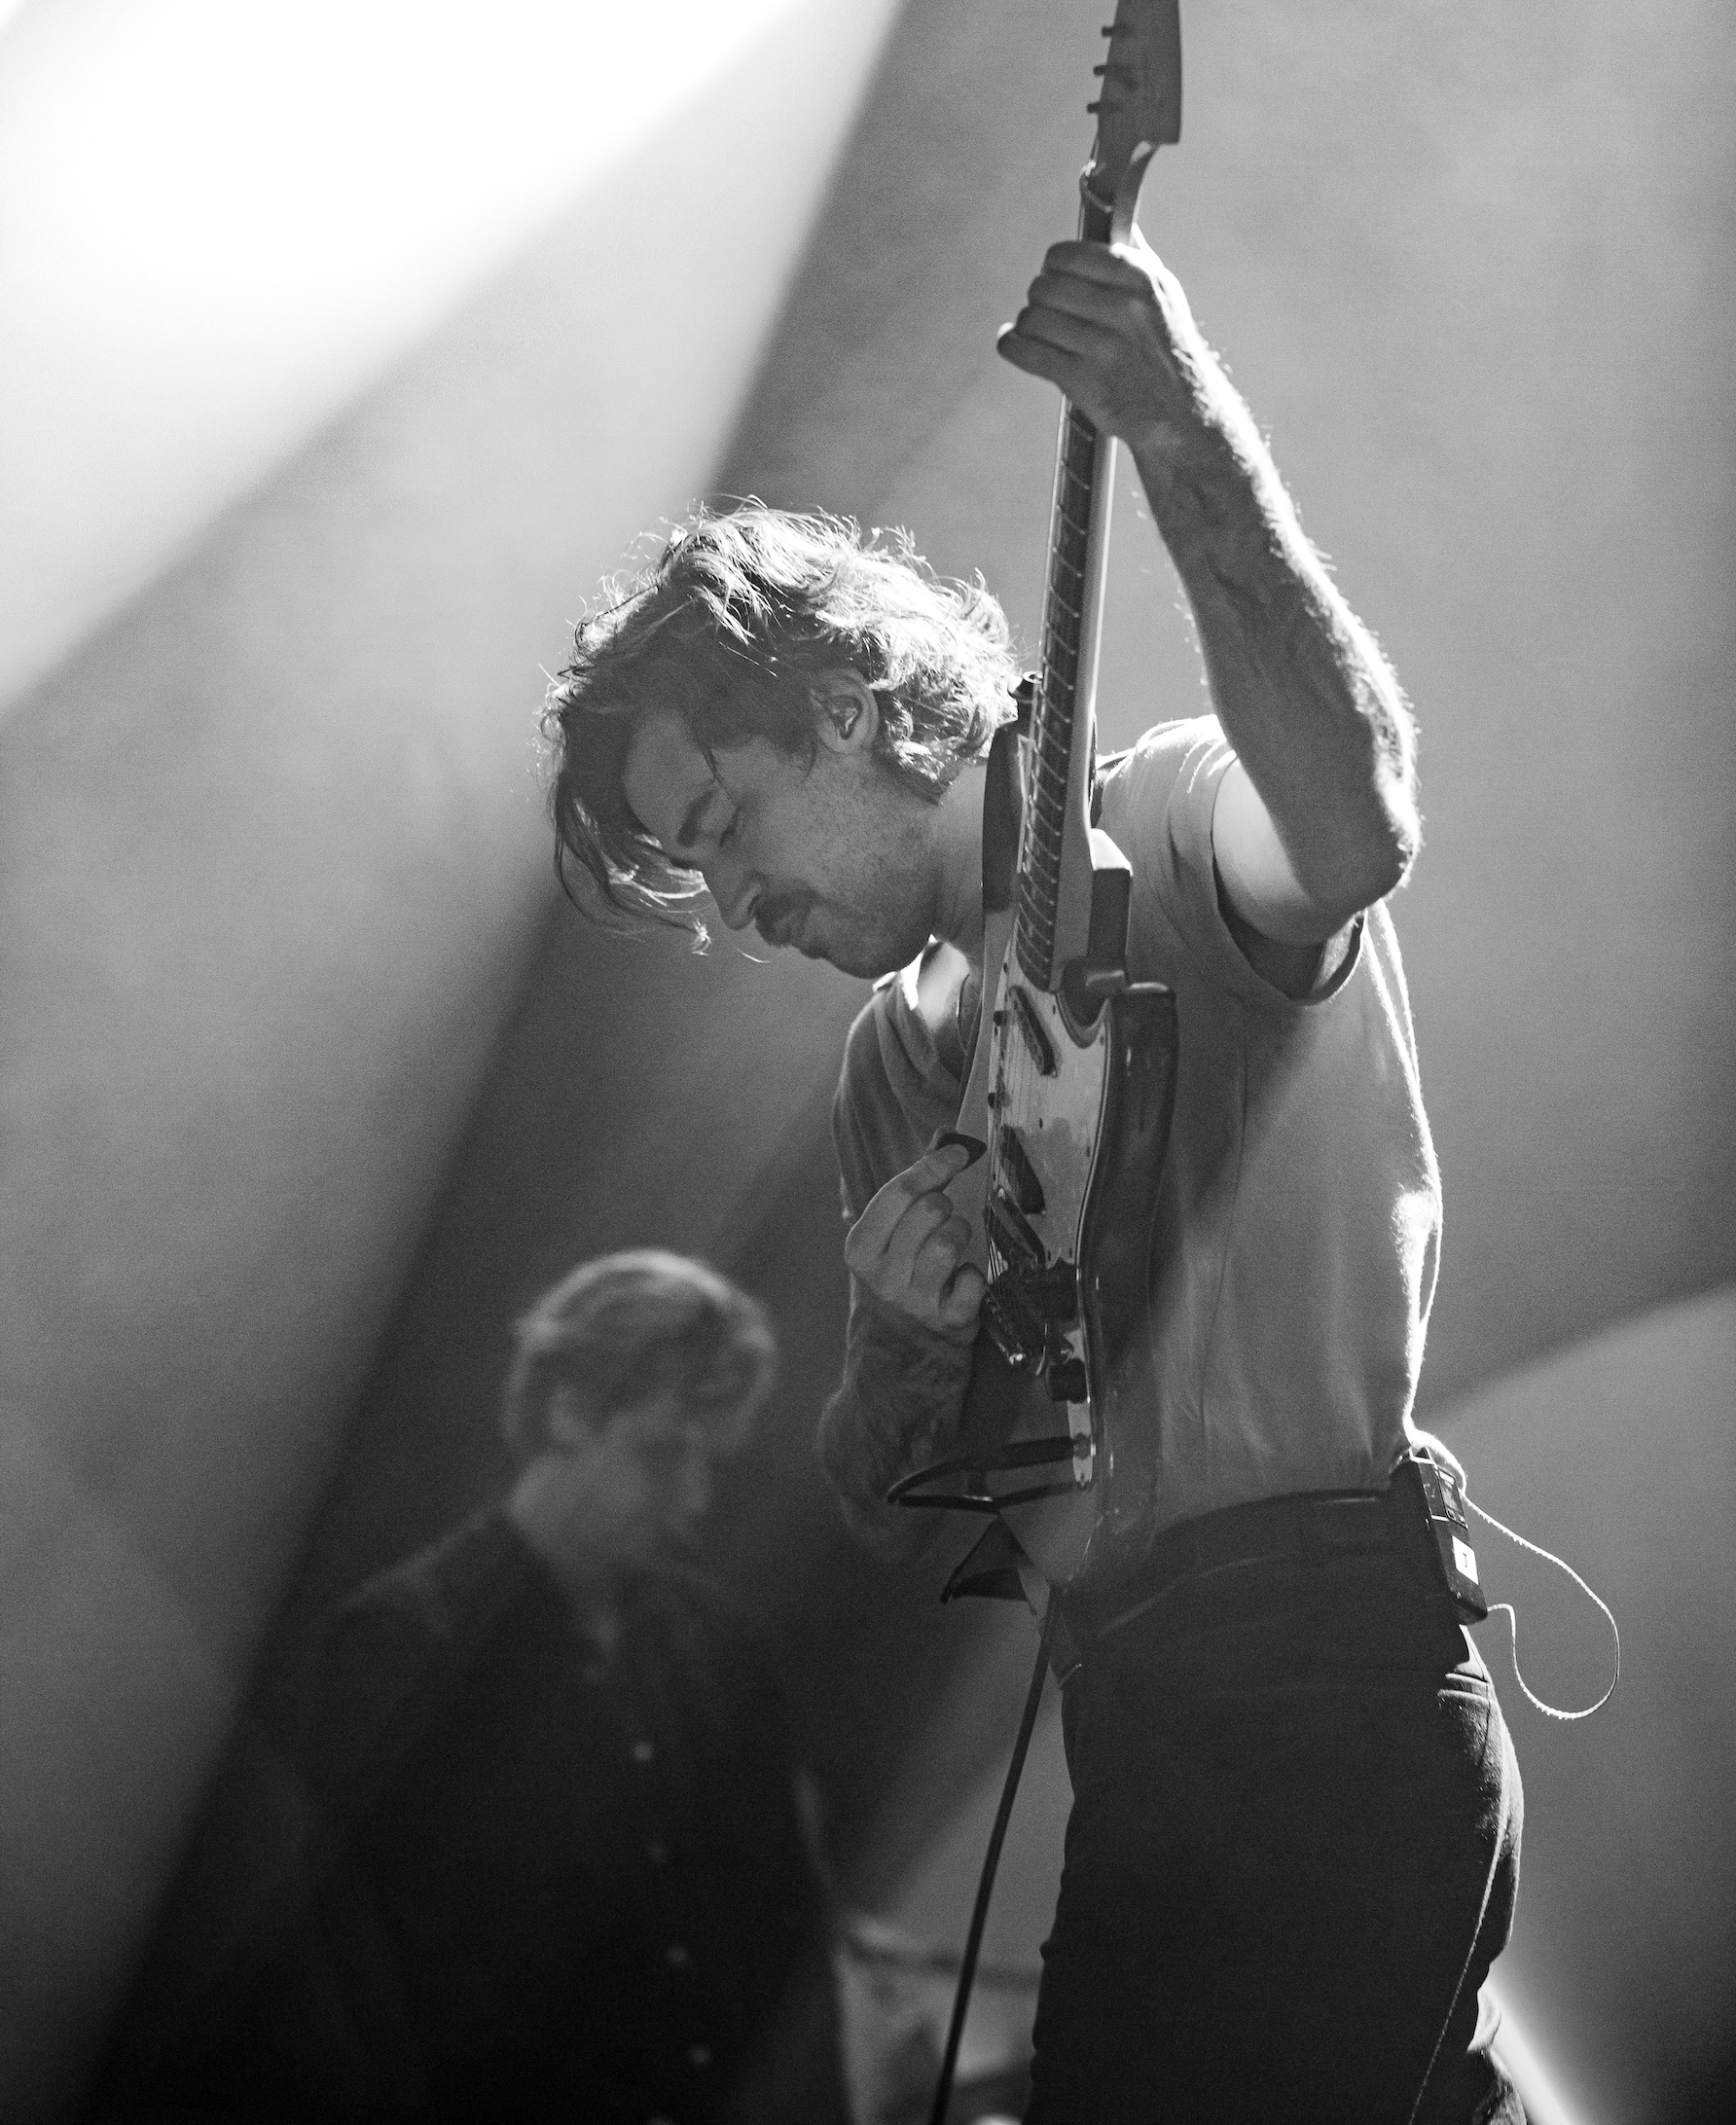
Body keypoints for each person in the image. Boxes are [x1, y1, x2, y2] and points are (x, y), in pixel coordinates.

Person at [540, 231, 1525, 2124]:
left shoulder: (1162, 815)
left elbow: (1353, 826)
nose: (731, 904)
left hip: (1327, 1681)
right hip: (1136, 1730)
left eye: (722, 825)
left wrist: (1180, 428)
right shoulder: (890, 1066)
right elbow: (888, 1511)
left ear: (840, 709)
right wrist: (898, 1351)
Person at [97, 1251, 846, 2125]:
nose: (693, 1500)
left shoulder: (726, 1652)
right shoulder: (403, 1642)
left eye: (711, 1463)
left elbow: (787, 1943)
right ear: (570, 1410)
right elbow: (397, 1999)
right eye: (663, 1455)